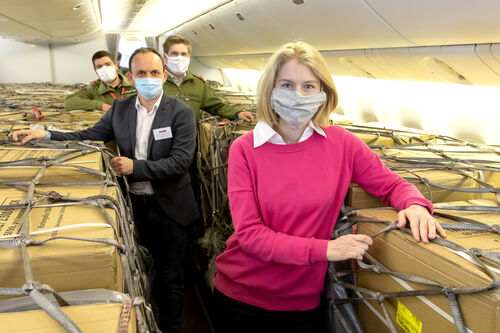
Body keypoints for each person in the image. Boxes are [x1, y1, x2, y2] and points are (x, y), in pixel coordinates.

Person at [212, 41, 447, 333]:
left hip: (302, 301)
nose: (297, 95)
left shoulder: (341, 144)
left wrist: (415, 205)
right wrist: (326, 249)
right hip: (241, 296)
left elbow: (391, 184)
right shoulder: (244, 149)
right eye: (286, 84)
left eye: (308, 86)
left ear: (323, 94)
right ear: (269, 90)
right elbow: (249, 235)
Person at [13, 47, 198, 333]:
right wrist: (46, 133)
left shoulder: (181, 113)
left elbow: (179, 162)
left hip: (171, 206)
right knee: (137, 265)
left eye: (153, 73)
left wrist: (134, 167)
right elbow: (87, 136)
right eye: (140, 73)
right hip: (133, 205)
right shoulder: (121, 109)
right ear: (131, 77)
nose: (147, 78)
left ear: (163, 76)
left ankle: (171, 326)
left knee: (171, 275)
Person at [162, 34, 254, 123]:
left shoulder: (198, 84)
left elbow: (217, 106)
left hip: (189, 137)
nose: (179, 58)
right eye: (174, 54)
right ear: (165, 57)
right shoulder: (157, 82)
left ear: (189, 58)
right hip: (160, 137)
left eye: (183, 54)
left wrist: (238, 113)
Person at [65, 50, 136, 112]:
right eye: (99, 67)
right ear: (96, 71)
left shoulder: (134, 83)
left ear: (116, 66)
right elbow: (69, 102)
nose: (104, 68)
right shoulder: (94, 90)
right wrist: (101, 106)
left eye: (108, 64)